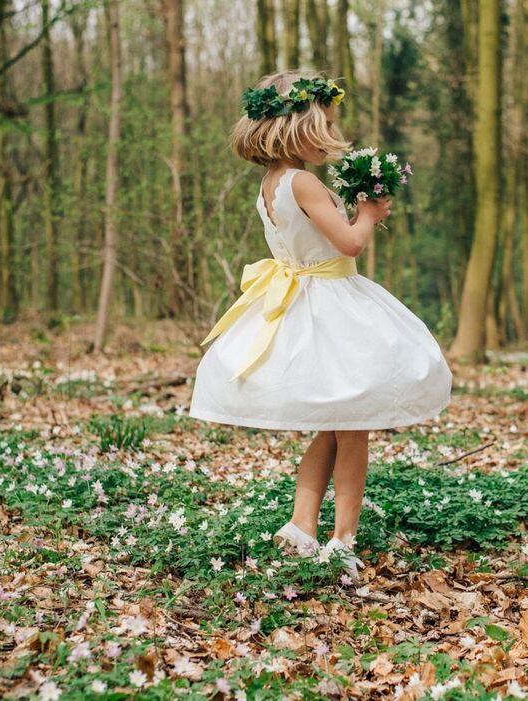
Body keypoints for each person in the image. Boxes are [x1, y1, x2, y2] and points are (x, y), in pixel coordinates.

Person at [188, 70, 452, 582]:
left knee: (332, 426)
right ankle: (342, 540)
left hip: (305, 299)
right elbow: (349, 244)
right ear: (296, 129)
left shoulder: (272, 182)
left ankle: (301, 525)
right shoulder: (304, 181)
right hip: (331, 302)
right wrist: (369, 214)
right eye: (323, 126)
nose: (330, 138)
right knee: (354, 427)